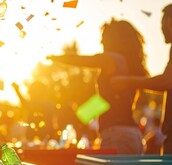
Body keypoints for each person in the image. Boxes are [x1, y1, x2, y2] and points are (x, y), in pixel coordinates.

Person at [48, 19, 148, 154]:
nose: (101, 42)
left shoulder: (113, 58)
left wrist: (54, 57)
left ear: (114, 39)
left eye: (104, 38)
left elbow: (85, 61)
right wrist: (82, 116)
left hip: (117, 136)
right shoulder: (129, 64)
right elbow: (109, 102)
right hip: (131, 135)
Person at [111, 3, 172, 155]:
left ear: (169, 22)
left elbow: (167, 81)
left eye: (162, 23)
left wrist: (57, 58)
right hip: (136, 134)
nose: (161, 29)